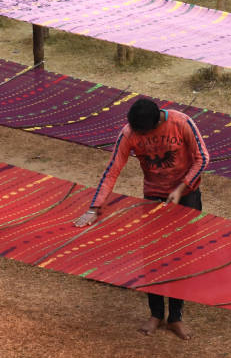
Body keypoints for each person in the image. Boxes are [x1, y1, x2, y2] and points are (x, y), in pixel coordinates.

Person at [74, 98, 209, 340]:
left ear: (156, 121)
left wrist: (181, 188)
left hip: (187, 194)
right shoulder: (129, 133)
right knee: (153, 254)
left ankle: (175, 317)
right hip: (153, 196)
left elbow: (203, 158)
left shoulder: (181, 123)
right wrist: (95, 207)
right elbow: (113, 169)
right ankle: (156, 314)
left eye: (143, 132)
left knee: (181, 255)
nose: (138, 136)